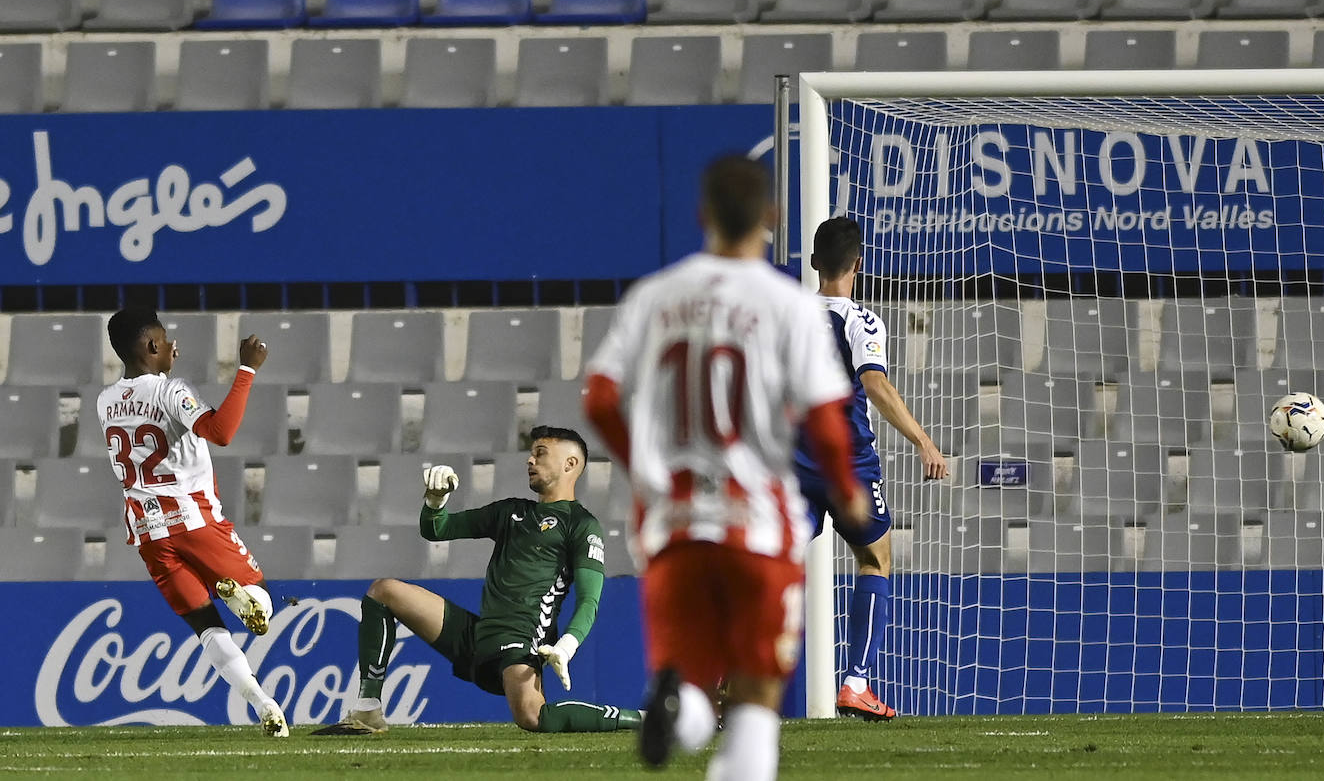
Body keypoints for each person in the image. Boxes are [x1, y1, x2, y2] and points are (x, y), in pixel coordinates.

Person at [583, 154, 868, 781]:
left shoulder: (655, 295)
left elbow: (599, 397)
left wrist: (645, 471)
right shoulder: (790, 305)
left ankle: (674, 708)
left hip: (674, 523)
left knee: (691, 681)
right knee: (755, 704)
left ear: (701, 214)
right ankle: (692, 718)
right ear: (771, 217)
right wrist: (847, 490)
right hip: (758, 524)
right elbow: (825, 418)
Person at [313, 425, 642, 736]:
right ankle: (367, 710)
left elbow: (589, 600)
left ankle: (642, 719)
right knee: (383, 592)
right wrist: (435, 501)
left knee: (532, 717)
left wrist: (566, 646)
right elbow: (437, 529)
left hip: (521, 642)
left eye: (540, 453)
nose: (530, 459)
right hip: (477, 636)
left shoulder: (582, 525)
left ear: (570, 464)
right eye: (531, 453)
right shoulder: (511, 512)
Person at [97, 307, 286, 737]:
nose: (173, 346)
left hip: (147, 532)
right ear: (150, 347)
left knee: (205, 628)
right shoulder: (171, 391)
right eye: (165, 340)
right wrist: (246, 370)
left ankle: (263, 704)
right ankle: (245, 598)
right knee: (263, 601)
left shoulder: (104, 400)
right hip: (192, 517)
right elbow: (220, 431)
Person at [796, 216, 949, 722]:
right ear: (858, 264)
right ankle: (856, 683)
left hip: (792, 462)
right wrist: (924, 440)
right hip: (847, 466)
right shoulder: (860, 320)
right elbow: (876, 384)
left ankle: (722, 679)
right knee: (875, 559)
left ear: (814, 262)